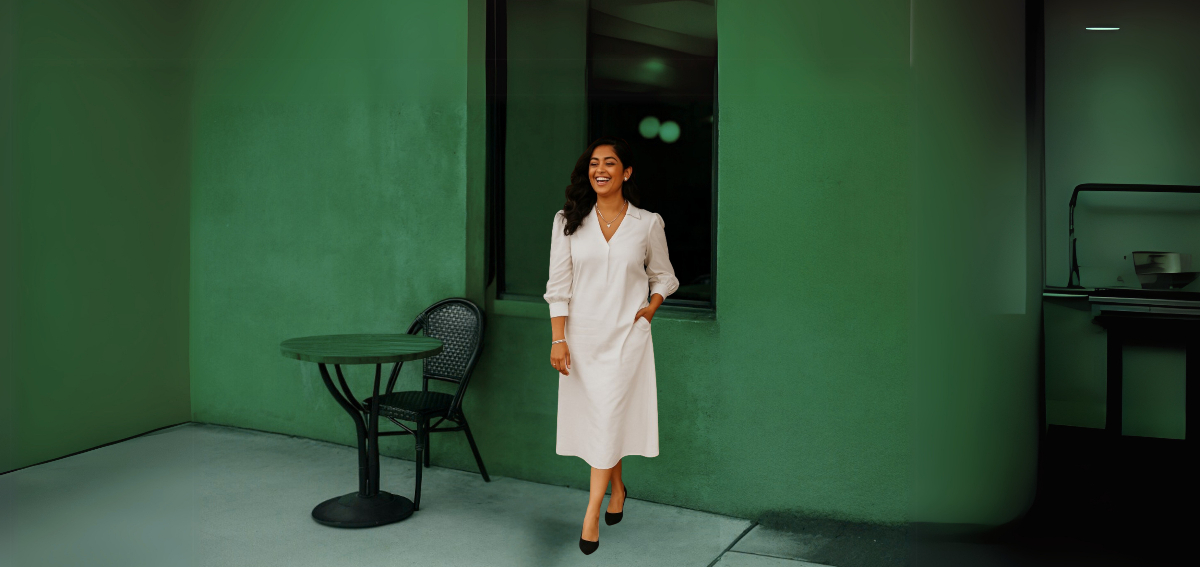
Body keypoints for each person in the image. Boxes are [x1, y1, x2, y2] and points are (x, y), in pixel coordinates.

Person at [543, 137, 679, 555]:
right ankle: (617, 490)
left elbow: (664, 276)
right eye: (593, 164)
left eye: (610, 163)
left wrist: (650, 309)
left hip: (626, 339)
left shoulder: (646, 223)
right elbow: (558, 285)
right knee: (605, 421)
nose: (600, 169)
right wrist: (558, 338)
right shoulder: (568, 220)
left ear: (627, 172)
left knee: (606, 417)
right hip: (581, 341)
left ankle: (590, 514)